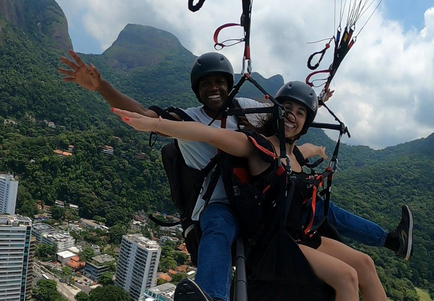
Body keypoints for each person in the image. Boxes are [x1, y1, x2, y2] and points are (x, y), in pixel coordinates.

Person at [58, 50, 412, 301]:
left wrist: (315, 100)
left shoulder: (245, 111)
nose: (214, 88)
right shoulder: (190, 118)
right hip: (221, 200)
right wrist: (103, 88)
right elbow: (150, 116)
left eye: (220, 82)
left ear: (230, 85)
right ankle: (211, 295)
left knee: (316, 206)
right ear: (198, 89)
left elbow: (286, 116)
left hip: (265, 195)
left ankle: (389, 241)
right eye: (206, 84)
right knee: (218, 226)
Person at [110, 81, 389, 300]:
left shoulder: (295, 154)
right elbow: (207, 133)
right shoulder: (257, 146)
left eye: (301, 112)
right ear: (276, 110)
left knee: (364, 263)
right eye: (288, 108)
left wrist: (318, 146)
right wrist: (156, 125)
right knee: (347, 277)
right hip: (272, 242)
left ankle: (390, 240)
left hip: (298, 233)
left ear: (307, 122)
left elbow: (304, 149)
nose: (293, 115)